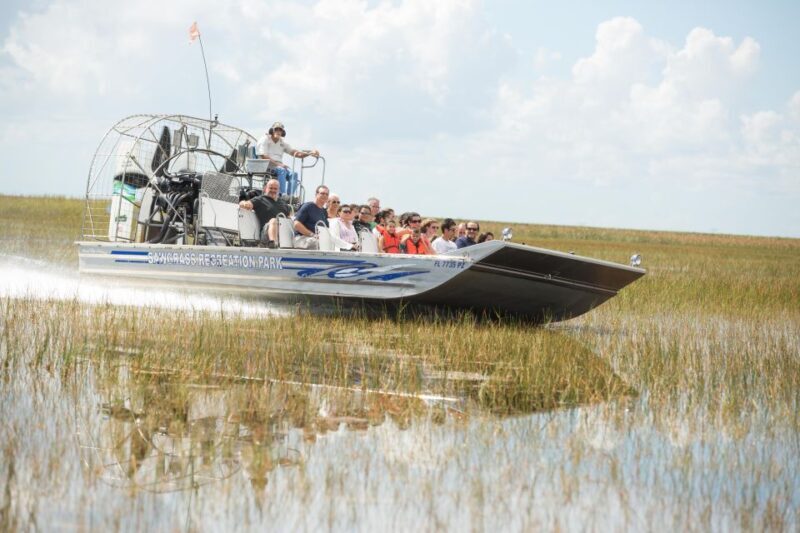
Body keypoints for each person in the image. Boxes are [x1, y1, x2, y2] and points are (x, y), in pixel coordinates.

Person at [256, 121, 319, 197]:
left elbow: (296, 153)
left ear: (283, 132)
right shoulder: (265, 139)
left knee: (294, 174)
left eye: (280, 130)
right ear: (272, 130)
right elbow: (263, 156)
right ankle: (282, 194)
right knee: (282, 170)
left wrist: (310, 153)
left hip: (278, 166)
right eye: (276, 129)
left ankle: (290, 196)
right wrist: (279, 164)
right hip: (266, 165)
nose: (278, 131)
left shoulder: (282, 143)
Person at [238, 178, 290, 247]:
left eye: (275, 189)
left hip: (282, 235)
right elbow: (243, 203)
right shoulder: (260, 199)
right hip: (266, 234)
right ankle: (273, 244)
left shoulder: (283, 204)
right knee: (273, 220)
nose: (273, 190)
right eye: (271, 188)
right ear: (266, 188)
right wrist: (244, 203)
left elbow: (289, 219)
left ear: (278, 190)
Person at [293, 185, 330, 249]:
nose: (325, 196)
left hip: (317, 240)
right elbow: (296, 224)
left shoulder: (324, 211)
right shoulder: (308, 206)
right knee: (318, 243)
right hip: (302, 238)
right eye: (322, 193)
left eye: (327, 194)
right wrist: (312, 235)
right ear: (316, 194)